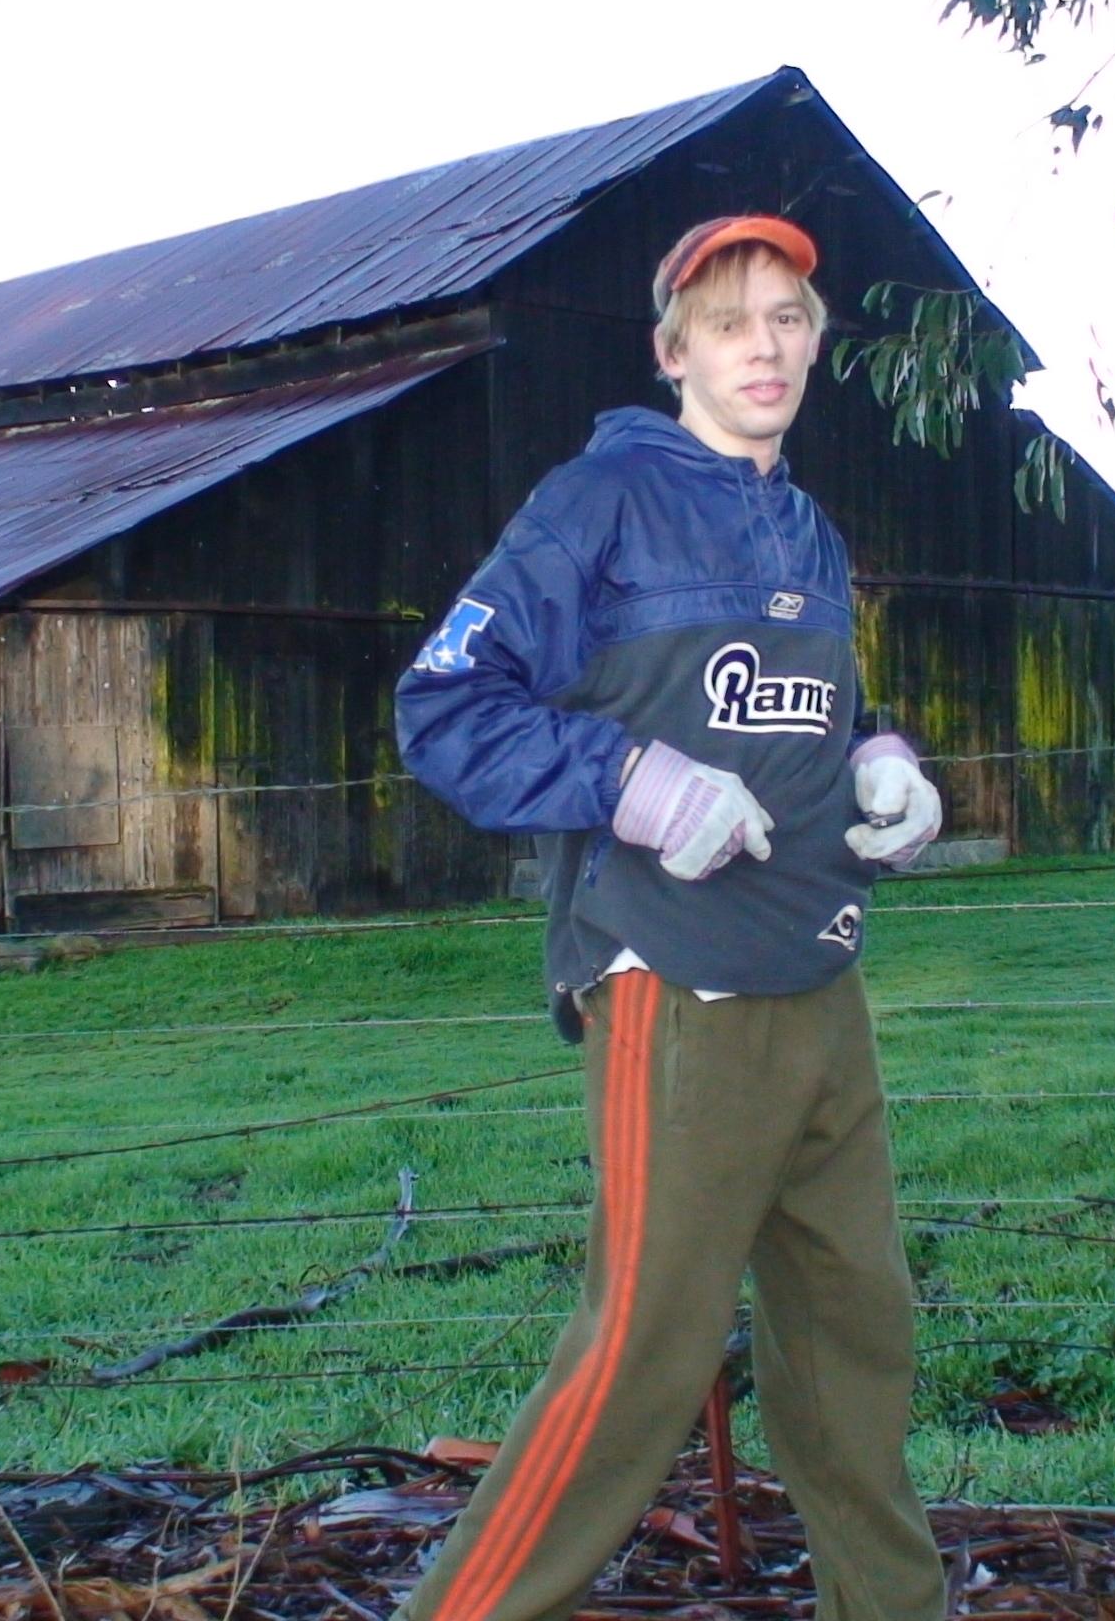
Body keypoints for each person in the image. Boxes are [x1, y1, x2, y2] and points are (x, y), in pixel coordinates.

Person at [392, 216, 947, 1620]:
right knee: (640, 1354)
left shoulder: (808, 528)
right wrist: (634, 784)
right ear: (673, 352)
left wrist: (883, 758)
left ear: (816, 343)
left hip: (820, 981)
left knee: (857, 1340)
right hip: (673, 988)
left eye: (789, 318)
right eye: (730, 321)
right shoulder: (600, 501)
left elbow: (803, 710)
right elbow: (445, 708)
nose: (765, 346)